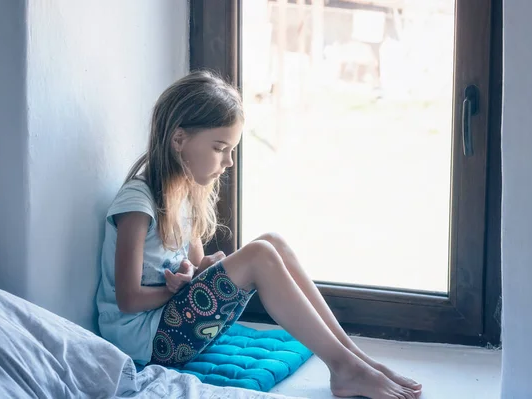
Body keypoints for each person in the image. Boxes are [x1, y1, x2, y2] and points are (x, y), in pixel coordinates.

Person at [96, 70, 422, 399]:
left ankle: (355, 358)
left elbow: (195, 268)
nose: (229, 161)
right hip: (146, 340)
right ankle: (345, 369)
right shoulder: (138, 203)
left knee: (273, 242)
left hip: (176, 324)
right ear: (179, 140)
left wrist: (201, 269)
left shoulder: (184, 195)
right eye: (220, 148)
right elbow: (128, 299)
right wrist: (183, 287)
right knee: (259, 255)